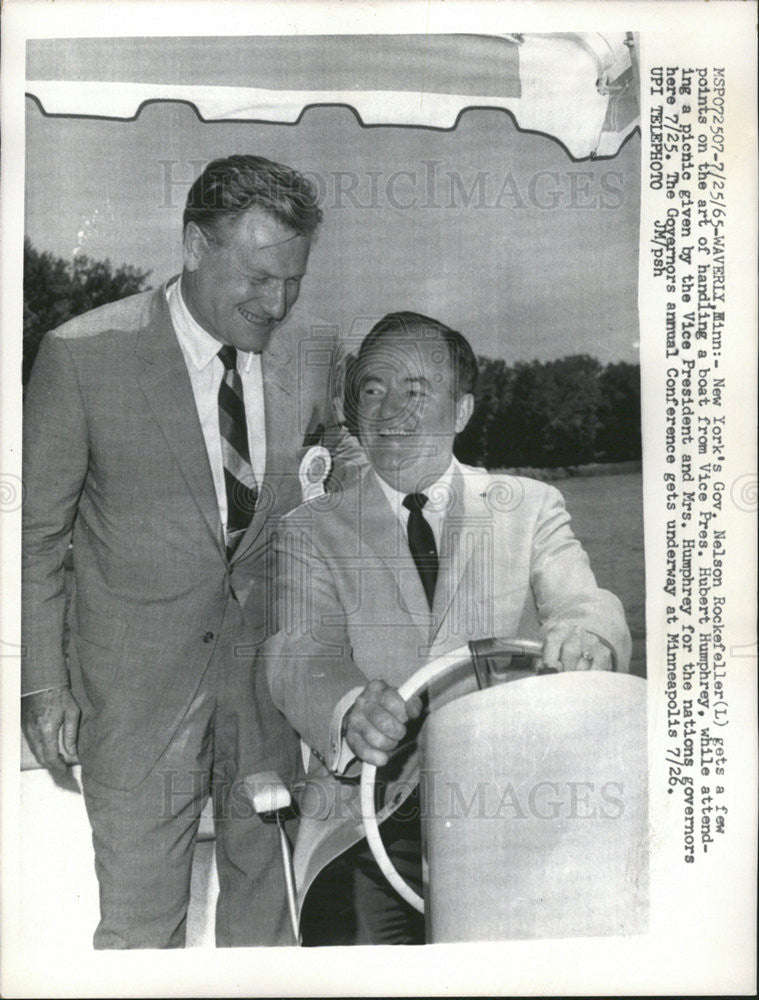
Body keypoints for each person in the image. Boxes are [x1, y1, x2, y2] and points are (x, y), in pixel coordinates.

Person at [21, 154, 362, 948]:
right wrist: (42, 688)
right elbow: (35, 536)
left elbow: (337, 459)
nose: (275, 303)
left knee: (269, 918)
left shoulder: (312, 349)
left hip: (271, 691)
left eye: (292, 280)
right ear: (193, 246)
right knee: (140, 932)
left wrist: (362, 468)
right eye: (255, 278)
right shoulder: (80, 354)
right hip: (134, 695)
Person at [264, 311, 632, 946]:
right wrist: (351, 708)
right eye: (372, 390)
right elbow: (300, 653)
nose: (391, 411)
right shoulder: (309, 530)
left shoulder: (530, 506)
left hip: (511, 812)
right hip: (363, 822)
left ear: (461, 411)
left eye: (416, 390)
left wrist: (587, 635)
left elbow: (585, 602)